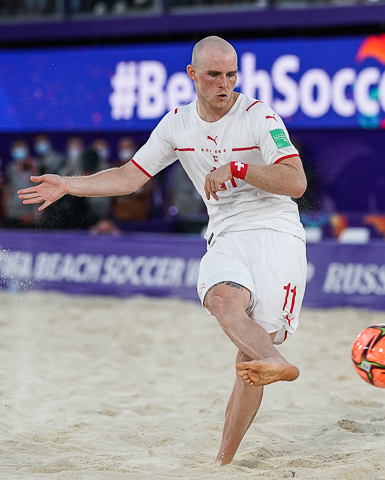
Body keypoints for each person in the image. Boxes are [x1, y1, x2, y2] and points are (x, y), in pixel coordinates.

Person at [18, 36, 307, 465]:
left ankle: (228, 450)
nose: (224, 84)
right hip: (226, 234)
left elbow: (296, 182)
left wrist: (240, 168)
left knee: (248, 362)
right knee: (222, 300)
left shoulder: (259, 116)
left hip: (277, 234)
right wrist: (69, 185)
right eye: (213, 75)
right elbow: (129, 176)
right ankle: (265, 380)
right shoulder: (176, 124)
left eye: (231, 75)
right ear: (193, 75)